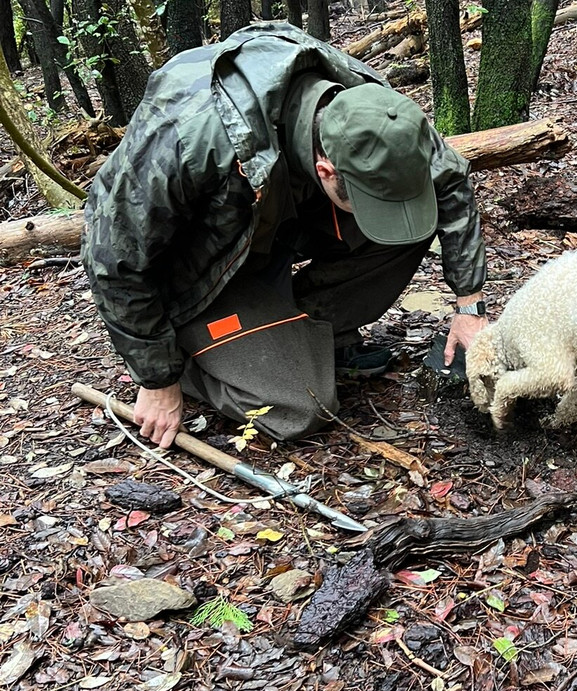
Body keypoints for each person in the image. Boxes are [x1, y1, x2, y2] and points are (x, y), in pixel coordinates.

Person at [81, 22, 488, 450]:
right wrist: (157, 378)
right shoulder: (191, 137)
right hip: (197, 274)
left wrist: (470, 305)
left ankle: (306, 331)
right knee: (299, 408)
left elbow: (450, 181)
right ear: (327, 170)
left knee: (410, 226)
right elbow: (113, 259)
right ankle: (195, 359)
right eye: (368, 203)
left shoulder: (374, 110)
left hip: (271, 232)